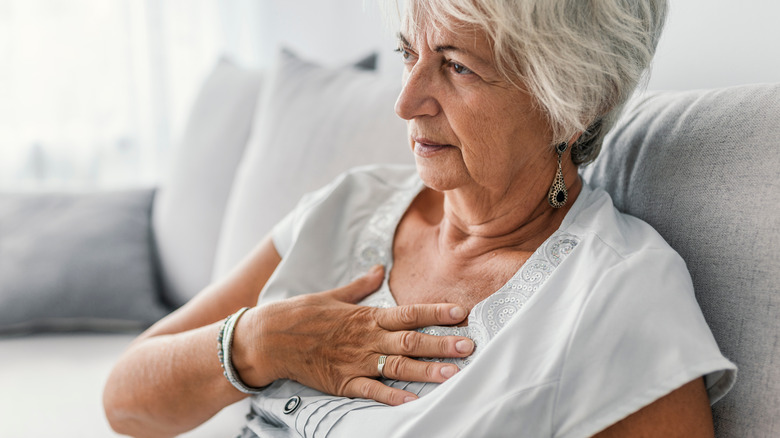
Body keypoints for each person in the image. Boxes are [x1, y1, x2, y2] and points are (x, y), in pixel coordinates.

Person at [104, 0, 736, 436]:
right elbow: (126, 400)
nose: (406, 101)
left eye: (457, 66)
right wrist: (260, 342)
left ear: (574, 101)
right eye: (408, 53)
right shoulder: (349, 206)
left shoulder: (618, 294)